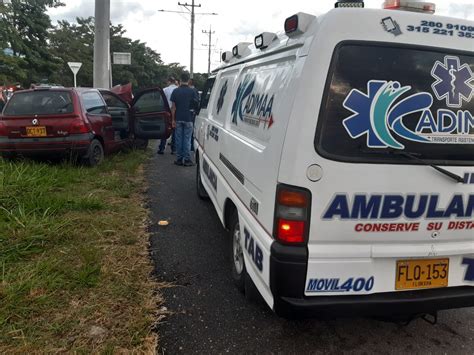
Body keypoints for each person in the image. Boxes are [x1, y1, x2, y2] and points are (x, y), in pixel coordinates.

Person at [170, 72, 199, 166]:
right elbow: (196, 105)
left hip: (178, 118)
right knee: (187, 139)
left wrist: (172, 120)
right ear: (188, 80)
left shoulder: (175, 91)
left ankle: (179, 159)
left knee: (179, 139)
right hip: (189, 118)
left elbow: (173, 107)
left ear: (180, 80)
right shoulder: (193, 91)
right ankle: (186, 159)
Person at [158, 77, 178, 154]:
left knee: (165, 130)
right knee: (175, 130)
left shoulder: (165, 90)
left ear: (169, 82)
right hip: (176, 111)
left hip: (166, 112)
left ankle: (162, 148)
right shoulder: (177, 89)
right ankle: (174, 149)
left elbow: (161, 102)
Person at [188, 79, 200, 152]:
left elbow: (196, 101)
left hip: (191, 112)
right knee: (191, 130)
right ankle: (191, 146)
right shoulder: (195, 90)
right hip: (192, 112)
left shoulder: (193, 91)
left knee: (191, 130)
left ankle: (191, 146)